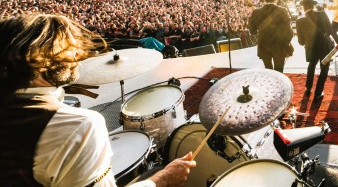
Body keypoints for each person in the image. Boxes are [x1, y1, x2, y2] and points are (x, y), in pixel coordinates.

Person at [0, 13, 196, 186]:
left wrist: (56, 89)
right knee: (156, 170)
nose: (77, 54)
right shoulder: (78, 125)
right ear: (37, 61)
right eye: (65, 48)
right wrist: (161, 180)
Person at [295, 0, 333, 100]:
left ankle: (308, 88)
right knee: (324, 69)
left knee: (311, 66)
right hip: (325, 47)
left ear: (303, 7)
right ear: (313, 5)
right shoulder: (322, 14)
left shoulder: (300, 20)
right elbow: (330, 30)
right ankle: (318, 93)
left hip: (311, 48)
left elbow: (301, 42)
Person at [248, 0, 294, 72]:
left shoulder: (256, 12)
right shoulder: (282, 10)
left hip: (263, 46)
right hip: (279, 46)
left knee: (268, 71)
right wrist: (286, 43)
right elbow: (289, 32)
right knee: (279, 72)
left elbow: (252, 31)